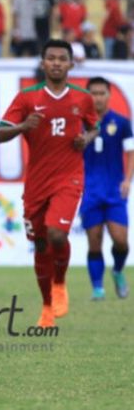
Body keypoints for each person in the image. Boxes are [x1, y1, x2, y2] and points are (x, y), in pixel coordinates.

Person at [0, 39, 98, 327]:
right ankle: (46, 306)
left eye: (61, 58)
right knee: (40, 244)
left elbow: (94, 127)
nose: (55, 63)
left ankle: (60, 284)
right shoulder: (27, 98)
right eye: (50, 58)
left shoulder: (82, 98)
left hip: (69, 177)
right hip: (36, 184)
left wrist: (85, 139)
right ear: (43, 63)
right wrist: (22, 127)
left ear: (70, 63)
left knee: (56, 234)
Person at [81, 77, 132, 300]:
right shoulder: (80, 124)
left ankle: (118, 271)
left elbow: (130, 153)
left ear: (109, 95)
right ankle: (97, 288)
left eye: (102, 93)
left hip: (114, 191)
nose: (98, 98)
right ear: (87, 96)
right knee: (94, 241)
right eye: (93, 93)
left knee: (121, 240)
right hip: (89, 191)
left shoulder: (121, 123)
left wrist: (128, 180)